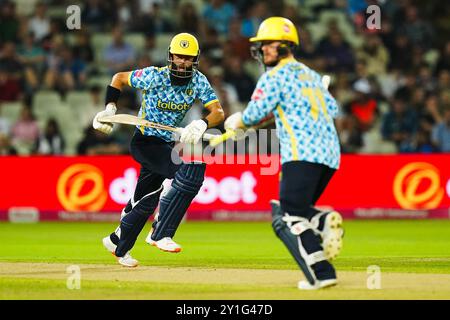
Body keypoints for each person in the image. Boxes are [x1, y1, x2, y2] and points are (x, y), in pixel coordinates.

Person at [223, 17, 344, 290]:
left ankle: (323, 222)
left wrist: (238, 120)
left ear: (285, 45)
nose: (263, 49)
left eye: (267, 44)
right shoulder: (311, 75)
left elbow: (253, 114)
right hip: (330, 154)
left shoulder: (274, 77)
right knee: (295, 212)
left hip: (302, 151)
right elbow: (333, 109)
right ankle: (323, 272)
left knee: (290, 212)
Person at [93, 33, 224, 267]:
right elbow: (119, 78)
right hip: (145, 141)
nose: (183, 62)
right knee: (187, 170)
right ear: (170, 56)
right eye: (179, 57)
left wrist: (202, 123)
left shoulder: (198, 81)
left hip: (165, 144)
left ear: (195, 60)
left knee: (143, 200)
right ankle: (160, 232)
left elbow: (218, 112)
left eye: (188, 58)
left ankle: (117, 243)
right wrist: (110, 108)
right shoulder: (155, 76)